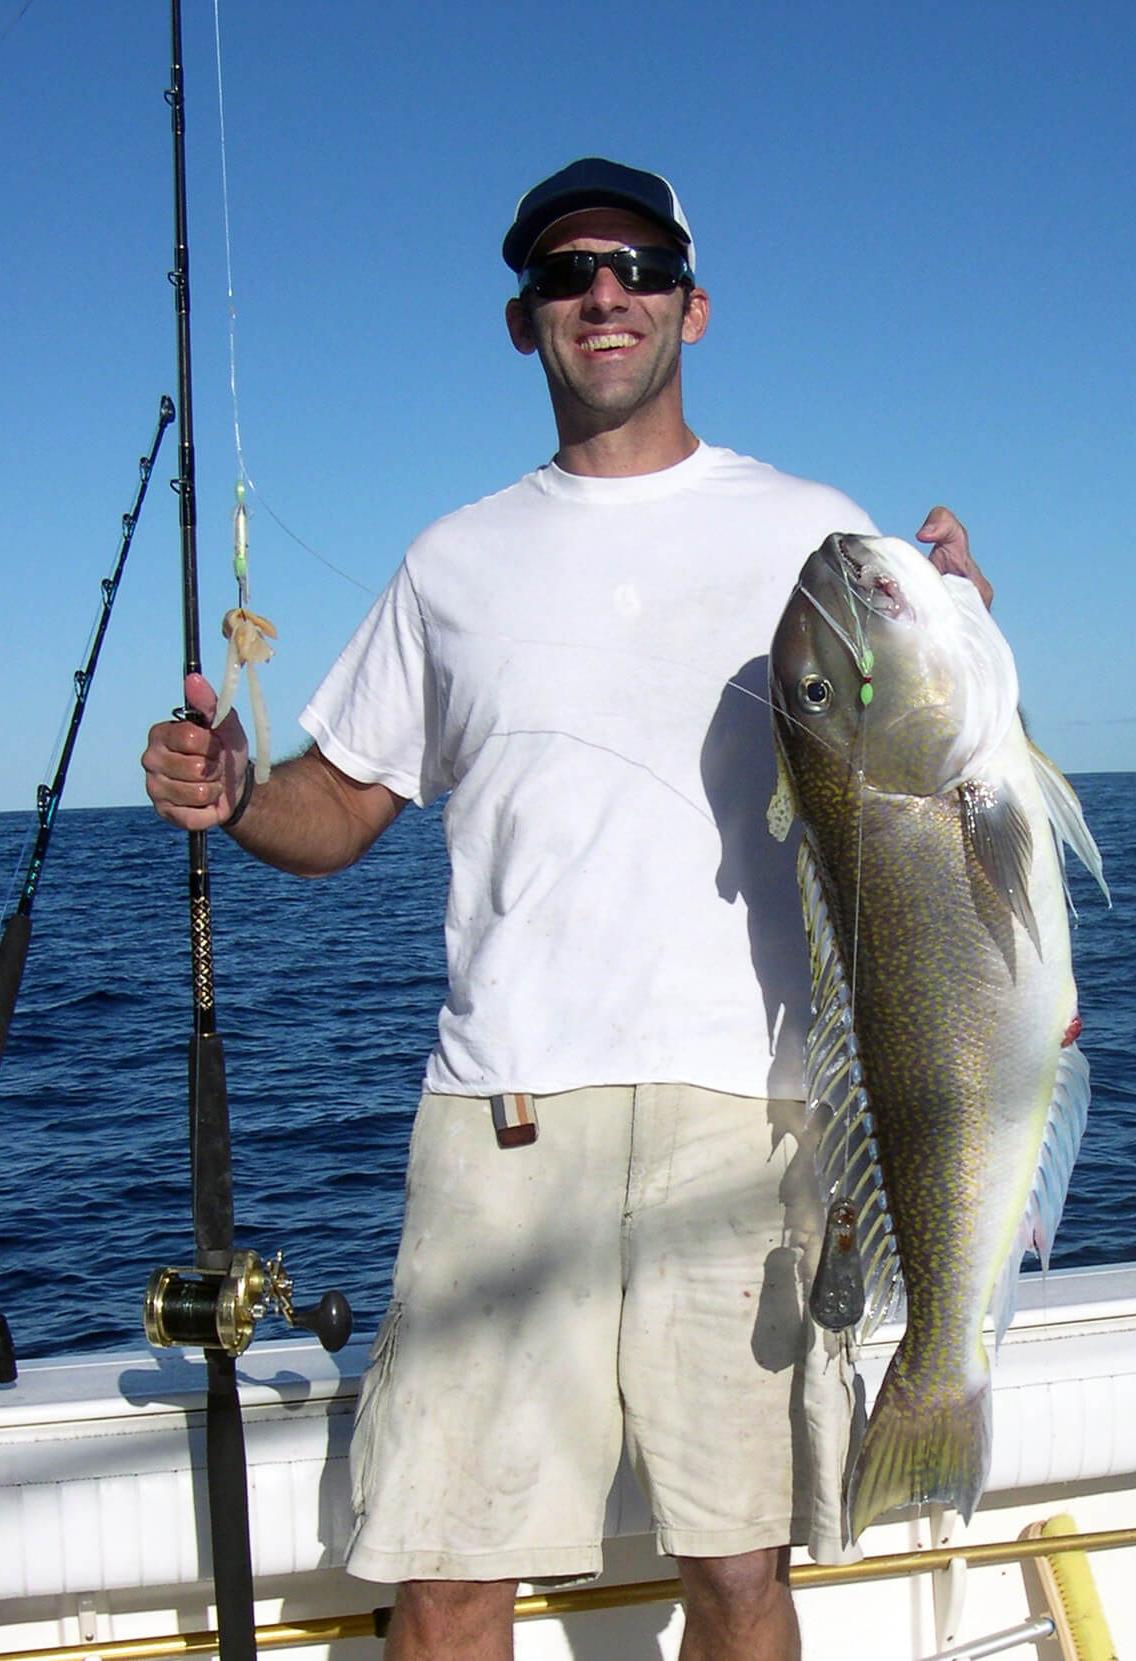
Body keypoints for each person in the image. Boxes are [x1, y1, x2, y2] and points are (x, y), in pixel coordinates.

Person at [143, 157, 989, 1661]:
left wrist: (960, 631)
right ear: (524, 321)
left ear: (691, 304)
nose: (605, 293)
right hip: (504, 1117)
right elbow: (338, 802)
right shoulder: (453, 560)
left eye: (638, 264)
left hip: (756, 1112)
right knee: (447, 1576)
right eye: (565, 272)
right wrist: (229, 788)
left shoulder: (812, 533)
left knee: (737, 1569)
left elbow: (935, 783)